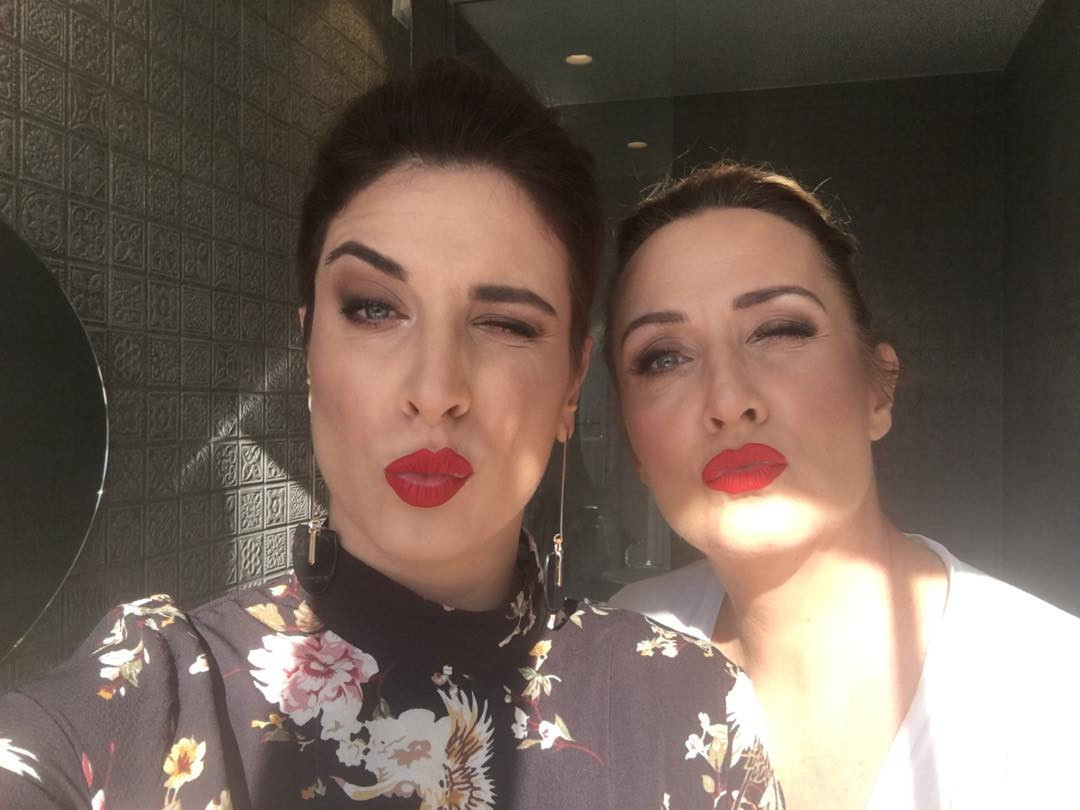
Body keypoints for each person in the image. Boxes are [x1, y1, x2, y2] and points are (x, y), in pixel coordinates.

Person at [0, 64, 784, 809]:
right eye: (374, 309)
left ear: (572, 385)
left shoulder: (685, 710)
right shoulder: (149, 700)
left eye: (505, 323)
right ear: (310, 349)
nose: (435, 391)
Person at [604, 162, 1080, 809]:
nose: (728, 400)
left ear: (877, 390)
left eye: (779, 330)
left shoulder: (1055, 700)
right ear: (633, 442)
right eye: (664, 357)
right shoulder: (613, 653)